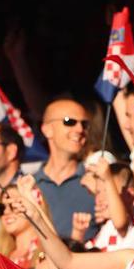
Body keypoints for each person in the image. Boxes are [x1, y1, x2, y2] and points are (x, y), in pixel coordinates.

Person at [35, 98, 95, 237]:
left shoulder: (97, 182)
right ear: (47, 130)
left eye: (84, 124)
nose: (80, 129)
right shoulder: (30, 186)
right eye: (69, 121)